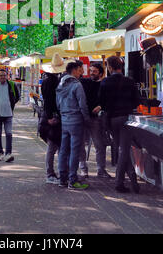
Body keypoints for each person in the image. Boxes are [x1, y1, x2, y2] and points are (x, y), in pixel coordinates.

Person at [98, 55, 141, 193]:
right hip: (126, 119)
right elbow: (136, 101)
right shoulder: (130, 81)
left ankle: (130, 180)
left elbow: (102, 102)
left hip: (112, 120)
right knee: (123, 150)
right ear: (121, 67)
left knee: (121, 150)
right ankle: (121, 182)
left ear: (110, 67)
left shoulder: (105, 82)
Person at [56, 61, 91, 190]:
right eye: (81, 69)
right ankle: (72, 180)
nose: (82, 72)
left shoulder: (61, 83)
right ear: (75, 70)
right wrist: (86, 119)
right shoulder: (77, 85)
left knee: (63, 150)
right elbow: (83, 104)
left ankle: (62, 179)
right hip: (76, 121)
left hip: (65, 120)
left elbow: (58, 104)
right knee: (75, 151)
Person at [39, 54, 71, 185]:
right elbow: (48, 102)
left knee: (56, 146)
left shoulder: (51, 79)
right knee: (53, 146)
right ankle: (50, 173)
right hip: (52, 117)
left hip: (52, 116)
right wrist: (51, 117)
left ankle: (56, 172)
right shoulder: (51, 81)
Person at [78, 62, 112, 179]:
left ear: (101, 73)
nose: (92, 73)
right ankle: (83, 169)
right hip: (82, 117)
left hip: (95, 119)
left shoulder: (104, 85)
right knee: (80, 144)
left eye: (95, 71)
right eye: (91, 71)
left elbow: (107, 100)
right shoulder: (84, 82)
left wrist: (101, 106)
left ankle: (101, 170)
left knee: (99, 145)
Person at [0, 69, 20, 163]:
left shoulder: (12, 85)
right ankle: (0, 153)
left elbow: (17, 97)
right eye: (1, 75)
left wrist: (10, 105)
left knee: (9, 133)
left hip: (8, 113)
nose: (3, 77)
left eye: (4, 75)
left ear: (7, 76)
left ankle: (8, 154)